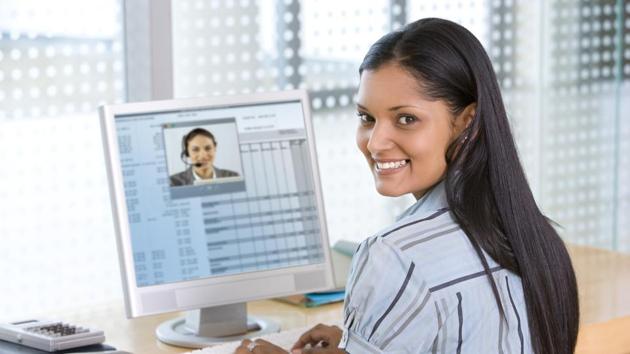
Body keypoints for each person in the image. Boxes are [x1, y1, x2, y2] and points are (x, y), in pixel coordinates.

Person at [236, 18, 579, 354]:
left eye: (406, 119)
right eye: (367, 118)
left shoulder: (395, 257)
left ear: (466, 122)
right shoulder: (536, 238)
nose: (375, 143)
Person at [169, 127, 239, 186]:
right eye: (195, 149)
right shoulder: (174, 183)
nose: (203, 155)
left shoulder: (233, 177)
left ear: (215, 148)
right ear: (187, 153)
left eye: (208, 148)